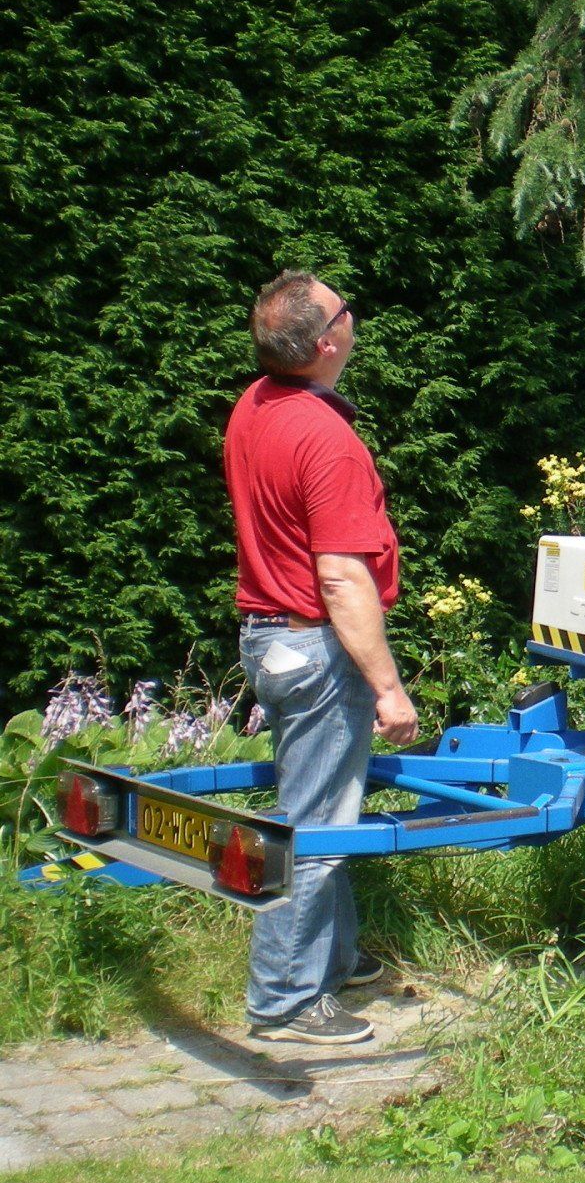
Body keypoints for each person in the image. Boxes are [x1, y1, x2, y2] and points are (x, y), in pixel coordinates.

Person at [225, 271, 419, 1045]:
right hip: (314, 647)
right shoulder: (327, 439)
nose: (353, 314)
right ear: (326, 343)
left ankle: (332, 961)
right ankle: (286, 999)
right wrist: (388, 687)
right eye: (346, 308)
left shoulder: (255, 405)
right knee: (312, 829)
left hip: (268, 637)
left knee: (325, 806)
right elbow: (341, 578)